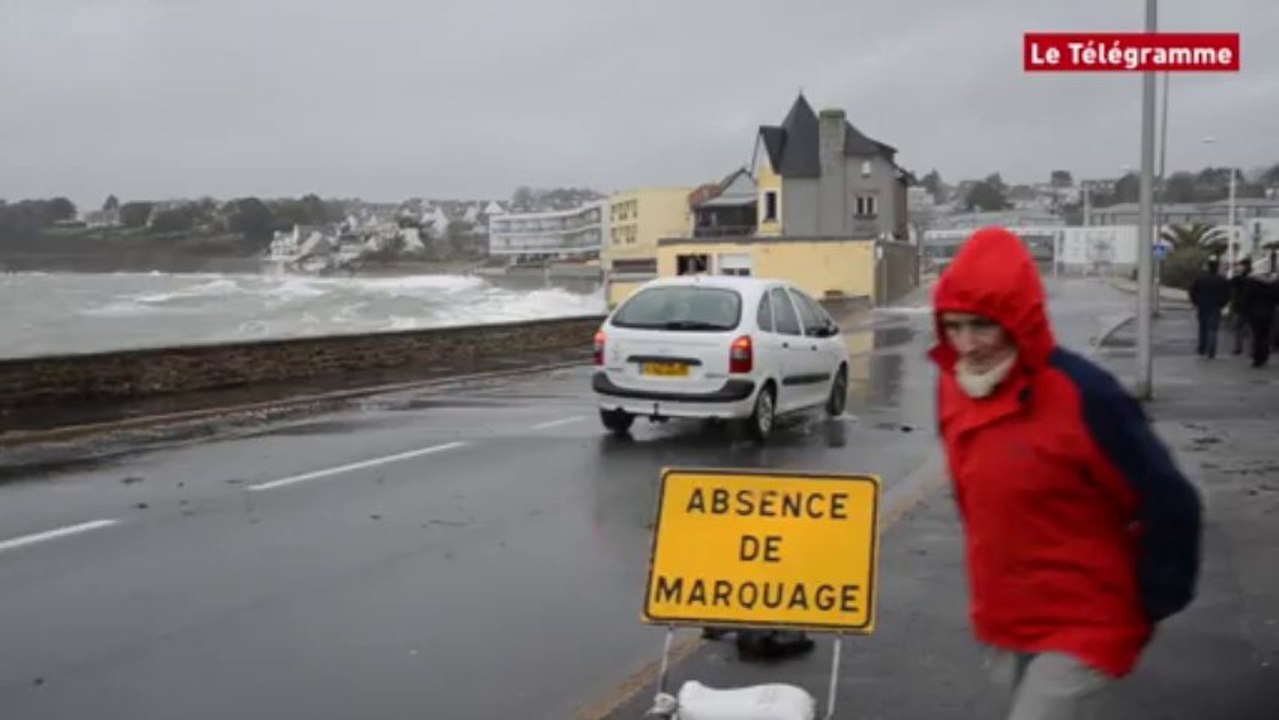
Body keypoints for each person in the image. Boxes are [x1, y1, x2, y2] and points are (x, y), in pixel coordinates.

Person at [928, 227, 1203, 719]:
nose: (966, 344)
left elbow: (1169, 500)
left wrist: (1150, 601)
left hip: (1087, 621)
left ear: (1018, 318)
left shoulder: (1084, 394)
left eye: (982, 325)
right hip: (1005, 616)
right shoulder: (955, 389)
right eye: (953, 326)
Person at [1239, 257, 1279, 368]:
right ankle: (1264, 356)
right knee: (1265, 334)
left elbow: (1247, 297)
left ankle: (1257, 358)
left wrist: (1244, 312)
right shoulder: (1274, 282)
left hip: (1255, 312)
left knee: (1257, 335)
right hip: (1269, 311)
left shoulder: (1252, 281)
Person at [1188, 258, 1231, 359]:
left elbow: (1192, 291)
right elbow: (1227, 294)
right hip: (1215, 307)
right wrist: (1222, 304)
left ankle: (1202, 348)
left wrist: (1196, 302)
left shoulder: (1200, 278)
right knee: (1212, 329)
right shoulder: (1221, 280)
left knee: (1202, 327)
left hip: (1203, 306)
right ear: (1217, 267)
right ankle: (1211, 349)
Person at [1229, 258, 1253, 356]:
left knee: (1238, 328)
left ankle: (1238, 348)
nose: (1240, 267)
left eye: (1241, 265)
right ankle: (1251, 350)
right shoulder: (1253, 277)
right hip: (1250, 307)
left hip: (1239, 307)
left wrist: (1235, 271)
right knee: (1251, 329)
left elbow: (1230, 283)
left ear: (1244, 266)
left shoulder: (1239, 278)